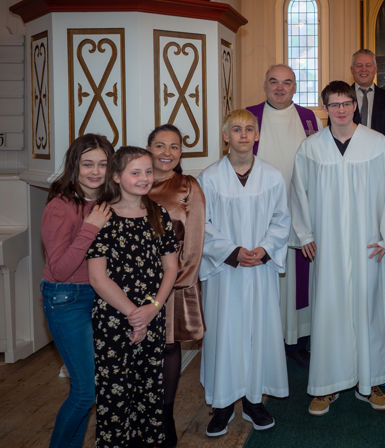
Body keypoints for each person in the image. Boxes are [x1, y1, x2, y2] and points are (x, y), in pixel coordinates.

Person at [289, 81, 385, 416]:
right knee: (328, 311)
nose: (341, 110)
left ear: (354, 106)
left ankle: (370, 382)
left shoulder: (376, 144)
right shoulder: (311, 148)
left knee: (369, 310)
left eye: (346, 103)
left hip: (367, 245)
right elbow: (298, 193)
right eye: (334, 105)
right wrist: (303, 235)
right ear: (325, 108)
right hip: (327, 244)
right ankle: (325, 386)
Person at [198, 109, 291, 437]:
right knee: (224, 334)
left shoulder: (272, 176)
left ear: (257, 135)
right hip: (226, 272)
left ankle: (253, 401)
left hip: (260, 271)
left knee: (258, 333)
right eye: (236, 129)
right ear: (225, 136)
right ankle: (222, 404)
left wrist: (265, 249)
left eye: (249, 129)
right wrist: (233, 252)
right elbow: (202, 225)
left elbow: (282, 218)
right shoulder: (209, 178)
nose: (243, 134)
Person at [87, 146, 178, 447]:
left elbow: (171, 267)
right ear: (116, 176)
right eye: (135, 172)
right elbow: (98, 278)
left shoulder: (158, 213)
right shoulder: (102, 215)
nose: (144, 178)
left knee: (149, 391)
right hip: (114, 320)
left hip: (152, 315)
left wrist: (152, 309)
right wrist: (133, 314)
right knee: (115, 394)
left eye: (148, 172)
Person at [40, 134, 113, 448]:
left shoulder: (105, 203)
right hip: (65, 298)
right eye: (87, 164)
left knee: (90, 388)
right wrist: (90, 228)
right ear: (75, 166)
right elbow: (59, 269)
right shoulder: (60, 207)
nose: (95, 171)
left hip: (97, 298)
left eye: (102, 164)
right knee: (85, 391)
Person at [246, 64, 321, 362]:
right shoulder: (250, 115)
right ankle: (268, 337)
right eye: (274, 82)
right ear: (264, 84)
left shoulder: (308, 118)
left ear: (295, 87)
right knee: (268, 276)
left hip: (300, 207)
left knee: (298, 277)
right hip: (260, 213)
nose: (280, 88)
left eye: (287, 83)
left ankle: (297, 340)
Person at [146, 124, 206, 447]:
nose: (167, 153)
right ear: (149, 148)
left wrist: (180, 282)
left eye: (174, 147)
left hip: (174, 283)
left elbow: (195, 239)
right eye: (160, 146)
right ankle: (144, 412)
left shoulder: (188, 186)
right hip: (135, 283)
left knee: (169, 347)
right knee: (140, 348)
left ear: (181, 152)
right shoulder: (133, 183)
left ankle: (166, 414)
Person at [350, 49, 385, 137]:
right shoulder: (340, 98)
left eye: (368, 65)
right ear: (352, 70)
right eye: (359, 65)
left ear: (375, 69)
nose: (364, 69)